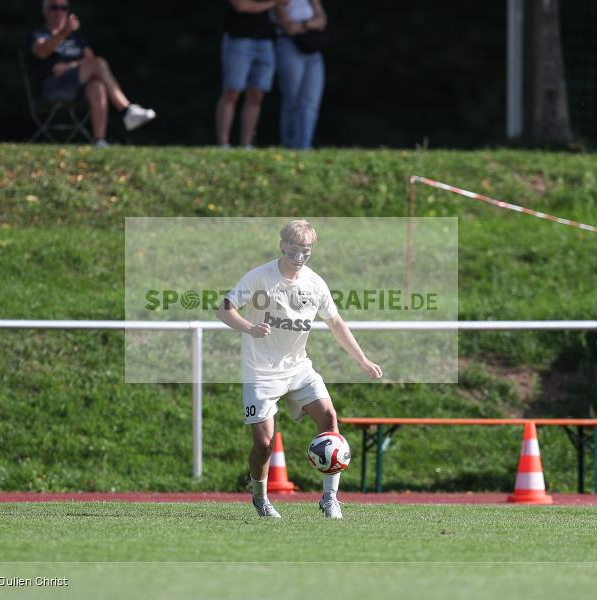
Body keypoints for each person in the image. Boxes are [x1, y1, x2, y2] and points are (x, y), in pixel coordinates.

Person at [215, 220, 383, 519]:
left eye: (306, 251)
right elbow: (224, 308)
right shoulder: (259, 277)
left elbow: (336, 323)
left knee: (329, 417)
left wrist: (363, 360)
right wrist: (251, 328)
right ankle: (261, 497)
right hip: (261, 371)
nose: (300, 257)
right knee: (264, 443)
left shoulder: (315, 283)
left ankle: (330, 498)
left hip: (298, 368)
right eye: (294, 250)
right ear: (282, 246)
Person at [29, 0, 155, 148]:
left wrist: (70, 65)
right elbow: (42, 52)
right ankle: (126, 110)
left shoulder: (76, 38)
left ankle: (100, 141)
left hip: (77, 88)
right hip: (52, 87)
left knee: (97, 86)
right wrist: (63, 33)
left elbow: (90, 60)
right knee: (99, 63)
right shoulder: (39, 34)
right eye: (54, 7)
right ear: (45, 11)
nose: (59, 11)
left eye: (63, 8)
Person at [216, 0, 288, 149]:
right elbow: (241, 6)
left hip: (265, 41)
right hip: (239, 38)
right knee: (232, 91)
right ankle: (223, 143)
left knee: (257, 94)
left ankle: (247, 144)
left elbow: (284, 8)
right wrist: (273, 3)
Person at [273, 0, 326, 149]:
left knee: (310, 101)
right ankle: (290, 145)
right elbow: (289, 27)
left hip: (312, 46)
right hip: (290, 45)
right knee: (292, 99)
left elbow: (322, 20)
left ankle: (304, 146)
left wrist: (302, 25)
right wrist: (310, 23)